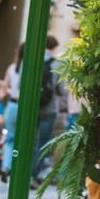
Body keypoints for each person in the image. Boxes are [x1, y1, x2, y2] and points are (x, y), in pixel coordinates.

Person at [31, 35, 68, 189]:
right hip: (49, 108)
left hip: (32, 108)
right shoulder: (57, 63)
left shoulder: (33, 59)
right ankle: (34, 175)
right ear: (53, 47)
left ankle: (23, 173)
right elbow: (61, 89)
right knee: (43, 144)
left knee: (30, 142)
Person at [1, 42, 24, 183]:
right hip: (23, 106)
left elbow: (4, 88)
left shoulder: (12, 68)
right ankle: (17, 170)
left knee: (9, 139)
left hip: (12, 104)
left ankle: (5, 166)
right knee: (23, 140)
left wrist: (13, 92)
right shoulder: (30, 68)